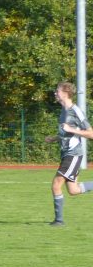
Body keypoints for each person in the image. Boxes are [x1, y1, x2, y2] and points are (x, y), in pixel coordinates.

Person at [45, 81, 93, 226]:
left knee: (56, 185)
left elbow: (90, 133)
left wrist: (72, 130)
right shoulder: (63, 111)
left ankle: (59, 221)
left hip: (73, 154)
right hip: (66, 154)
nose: (55, 93)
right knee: (73, 190)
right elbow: (66, 133)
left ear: (65, 93)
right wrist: (54, 138)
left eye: (57, 91)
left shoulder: (75, 110)